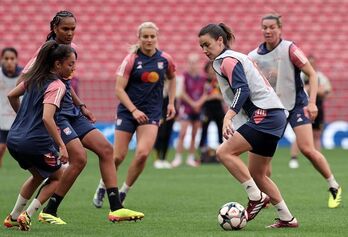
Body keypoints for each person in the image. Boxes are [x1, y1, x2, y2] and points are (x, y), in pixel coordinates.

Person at [14, 11, 144, 225]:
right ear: (54, 28)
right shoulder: (45, 53)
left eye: (73, 29)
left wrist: (81, 105)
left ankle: (116, 208)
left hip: (73, 113)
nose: (70, 33)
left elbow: (64, 83)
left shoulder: (71, 50)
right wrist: (35, 107)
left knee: (106, 149)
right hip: (58, 115)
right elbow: (25, 79)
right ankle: (49, 210)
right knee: (79, 159)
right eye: (65, 29)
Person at [198, 23, 298, 228]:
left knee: (224, 152)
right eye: (201, 46)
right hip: (274, 114)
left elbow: (242, 90)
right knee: (258, 174)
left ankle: (256, 197)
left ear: (220, 41)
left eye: (207, 44)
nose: (204, 50)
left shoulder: (225, 60)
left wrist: (228, 116)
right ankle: (287, 218)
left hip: (266, 114)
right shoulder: (236, 57)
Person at [248, 13, 341, 208]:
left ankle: (333, 185)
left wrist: (312, 102)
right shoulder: (253, 57)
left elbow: (312, 74)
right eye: (264, 27)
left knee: (307, 149)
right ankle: (265, 197)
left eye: (272, 27)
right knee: (265, 157)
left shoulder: (290, 49)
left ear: (280, 28)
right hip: (273, 110)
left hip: (297, 105)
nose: (268, 30)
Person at [92, 22, 176, 207]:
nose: (149, 40)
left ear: (157, 37)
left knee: (142, 154)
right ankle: (102, 186)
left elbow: (172, 77)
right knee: (118, 156)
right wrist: (133, 110)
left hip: (152, 113)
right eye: (145, 36)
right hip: (128, 112)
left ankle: (123, 191)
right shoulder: (131, 60)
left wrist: (170, 103)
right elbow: (119, 90)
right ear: (139, 38)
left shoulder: (165, 59)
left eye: (152, 36)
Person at [4, 41, 74, 231]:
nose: (73, 68)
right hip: (35, 141)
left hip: (14, 139)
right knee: (58, 176)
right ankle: (27, 215)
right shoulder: (57, 85)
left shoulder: (34, 78)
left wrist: (22, 119)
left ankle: (13, 216)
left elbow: (11, 95)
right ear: (57, 64)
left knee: (37, 175)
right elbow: (47, 118)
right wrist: (62, 145)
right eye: (70, 64)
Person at [289, 55, 332, 169]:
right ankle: (294, 158)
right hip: (302, 107)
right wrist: (316, 89)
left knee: (317, 134)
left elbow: (326, 91)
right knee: (300, 134)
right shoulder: (301, 75)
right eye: (310, 62)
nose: (311, 65)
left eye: (313, 63)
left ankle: (316, 159)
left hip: (317, 107)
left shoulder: (320, 76)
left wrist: (314, 90)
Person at [171, 53, 206, 168]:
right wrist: (192, 103)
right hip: (186, 108)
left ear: (198, 64)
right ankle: (178, 157)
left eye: (195, 63)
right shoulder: (184, 76)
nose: (193, 65)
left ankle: (191, 157)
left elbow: (206, 93)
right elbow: (182, 93)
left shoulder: (203, 78)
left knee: (194, 134)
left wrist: (199, 103)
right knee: (183, 133)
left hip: (198, 108)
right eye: (191, 63)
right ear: (188, 64)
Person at [0, 48, 23, 168]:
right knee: (1, 148)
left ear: (16, 60)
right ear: (1, 60)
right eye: (6, 58)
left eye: (12, 58)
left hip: (19, 117)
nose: (9, 61)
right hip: (2, 118)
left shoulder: (24, 76)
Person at [199, 61, 224, 155]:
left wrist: (219, 97)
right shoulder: (203, 81)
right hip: (207, 108)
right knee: (204, 129)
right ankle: (202, 151)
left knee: (221, 129)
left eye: (213, 68)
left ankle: (221, 150)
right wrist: (212, 97)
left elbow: (225, 96)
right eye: (210, 68)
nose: (211, 70)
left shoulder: (220, 81)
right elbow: (201, 96)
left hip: (218, 107)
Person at [153, 80, 176, 169]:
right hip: (160, 114)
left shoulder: (172, 85)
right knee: (160, 135)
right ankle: (157, 159)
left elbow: (174, 100)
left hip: (170, 114)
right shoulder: (157, 85)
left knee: (167, 135)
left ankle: (164, 158)